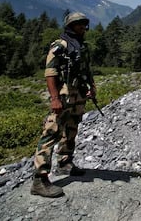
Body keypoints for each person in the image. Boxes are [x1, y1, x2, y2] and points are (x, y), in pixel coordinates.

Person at [31, 12, 96, 198]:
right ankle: (39, 179)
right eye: (78, 24)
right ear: (70, 26)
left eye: (84, 24)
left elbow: (87, 70)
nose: (82, 27)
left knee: (72, 128)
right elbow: (50, 72)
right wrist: (54, 98)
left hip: (78, 94)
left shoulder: (83, 46)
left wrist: (92, 87)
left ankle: (65, 163)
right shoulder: (60, 46)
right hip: (63, 94)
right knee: (52, 131)